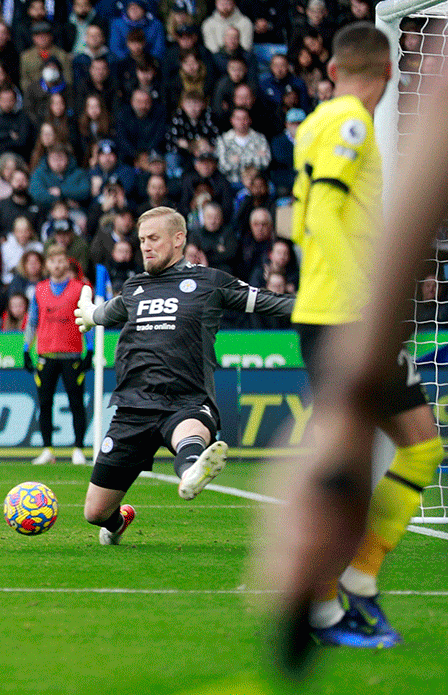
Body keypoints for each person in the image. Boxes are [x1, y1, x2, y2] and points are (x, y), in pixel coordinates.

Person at [273, 23, 446, 660]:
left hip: (330, 308)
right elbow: (320, 213)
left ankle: (354, 580)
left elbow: (303, 224)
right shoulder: (349, 121)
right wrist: (370, 305)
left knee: (413, 447)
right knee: (371, 454)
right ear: (389, 74)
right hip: (345, 315)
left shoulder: (318, 120)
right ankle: (326, 600)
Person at [73, 206, 292, 545]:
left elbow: (270, 302)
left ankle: (192, 469)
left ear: (178, 239)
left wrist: (327, 310)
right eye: (142, 239)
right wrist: (89, 315)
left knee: (190, 431)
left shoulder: (210, 282)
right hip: (132, 408)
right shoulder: (135, 287)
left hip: (185, 399)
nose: (145, 246)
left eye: (154, 239)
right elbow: (106, 312)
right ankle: (119, 522)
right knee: (95, 513)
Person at [25, 244, 89, 467]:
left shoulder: (79, 288)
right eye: (53, 261)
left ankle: (78, 448)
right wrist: (26, 349)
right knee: (44, 403)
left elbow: (86, 319)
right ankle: (47, 449)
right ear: (47, 264)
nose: (57, 265)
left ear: (67, 262)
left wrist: (89, 350)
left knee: (76, 403)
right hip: (46, 354)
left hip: (71, 354)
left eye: (61, 260)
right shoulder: (40, 290)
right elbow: (33, 320)